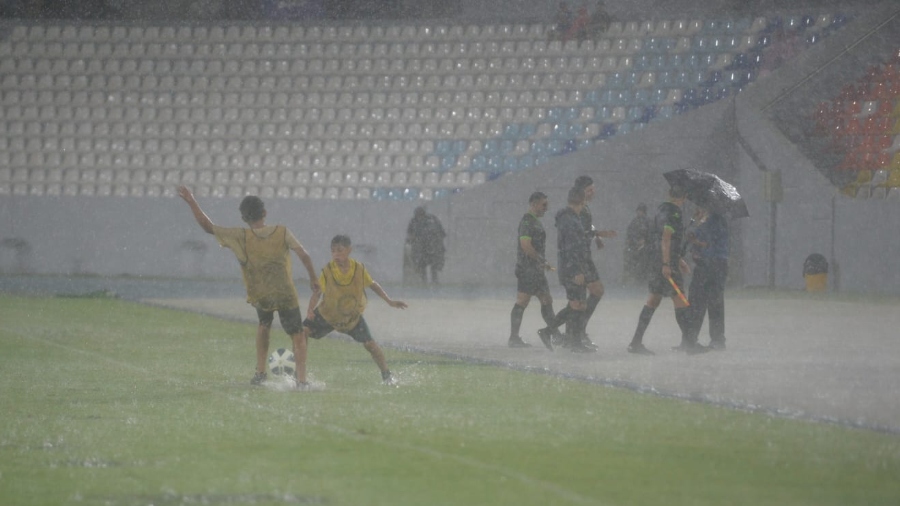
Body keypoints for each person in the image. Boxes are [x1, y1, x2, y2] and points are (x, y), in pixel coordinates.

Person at [177, 186, 320, 387]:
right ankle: (302, 380)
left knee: (264, 325)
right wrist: (313, 278)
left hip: (261, 293)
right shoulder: (281, 231)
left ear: (244, 218)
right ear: (265, 213)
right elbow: (304, 254)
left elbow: (208, 227)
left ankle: (260, 373)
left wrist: (192, 201)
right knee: (297, 334)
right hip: (284, 292)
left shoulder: (241, 237)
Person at [304, 234, 407, 386]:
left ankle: (387, 375)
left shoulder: (358, 268)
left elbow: (372, 284)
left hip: (351, 317)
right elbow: (317, 292)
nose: (336, 255)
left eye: (340, 250)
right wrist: (310, 310)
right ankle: (299, 373)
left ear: (349, 250)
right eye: (333, 251)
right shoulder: (328, 270)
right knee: (302, 332)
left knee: (370, 345)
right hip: (328, 314)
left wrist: (389, 301)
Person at [626, 184, 706, 355]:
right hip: (664, 264)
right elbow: (666, 239)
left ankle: (635, 342)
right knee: (681, 300)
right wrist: (667, 264)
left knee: (653, 300)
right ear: (683, 198)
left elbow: (666, 239)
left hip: (658, 261)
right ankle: (691, 344)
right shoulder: (673, 213)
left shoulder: (661, 210)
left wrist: (678, 259)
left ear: (669, 194)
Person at [539, 187, 596, 353]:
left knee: (579, 304)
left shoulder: (568, 218)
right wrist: (577, 271)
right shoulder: (570, 221)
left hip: (571, 267)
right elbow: (572, 248)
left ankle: (555, 334)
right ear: (582, 202)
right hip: (572, 270)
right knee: (577, 304)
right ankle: (566, 338)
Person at [568, 175, 616, 349]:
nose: (593, 192)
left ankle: (574, 332)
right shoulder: (578, 209)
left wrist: (597, 235)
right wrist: (600, 234)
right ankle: (575, 332)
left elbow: (588, 228)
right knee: (588, 294)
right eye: (590, 189)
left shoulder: (584, 208)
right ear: (581, 192)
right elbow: (579, 234)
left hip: (583, 256)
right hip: (582, 258)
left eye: (593, 189)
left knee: (580, 298)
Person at [508, 191, 557, 350]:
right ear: (534, 204)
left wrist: (542, 263)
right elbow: (526, 245)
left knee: (545, 299)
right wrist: (540, 260)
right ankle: (515, 338)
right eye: (544, 205)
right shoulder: (528, 222)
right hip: (528, 269)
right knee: (524, 301)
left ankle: (553, 334)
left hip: (534, 269)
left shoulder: (534, 221)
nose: (546, 208)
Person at [684, 207, 729, 351]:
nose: (697, 209)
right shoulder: (706, 222)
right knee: (704, 301)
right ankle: (697, 338)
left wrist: (695, 241)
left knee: (707, 301)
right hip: (708, 264)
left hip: (713, 264)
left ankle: (713, 339)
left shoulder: (715, 221)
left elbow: (707, 243)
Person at [406, 206, 446, 286]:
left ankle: (429, 282)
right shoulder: (430, 220)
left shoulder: (418, 221)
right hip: (427, 248)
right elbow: (442, 234)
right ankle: (429, 282)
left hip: (427, 248)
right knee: (426, 267)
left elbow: (410, 235)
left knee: (427, 267)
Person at [623, 203, 652, 285]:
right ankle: (636, 280)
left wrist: (645, 241)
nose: (639, 213)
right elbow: (629, 233)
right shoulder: (634, 221)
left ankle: (642, 280)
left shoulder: (648, 222)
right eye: (638, 211)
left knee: (644, 265)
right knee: (633, 264)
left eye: (640, 211)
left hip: (645, 248)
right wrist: (630, 242)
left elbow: (651, 234)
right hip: (634, 247)